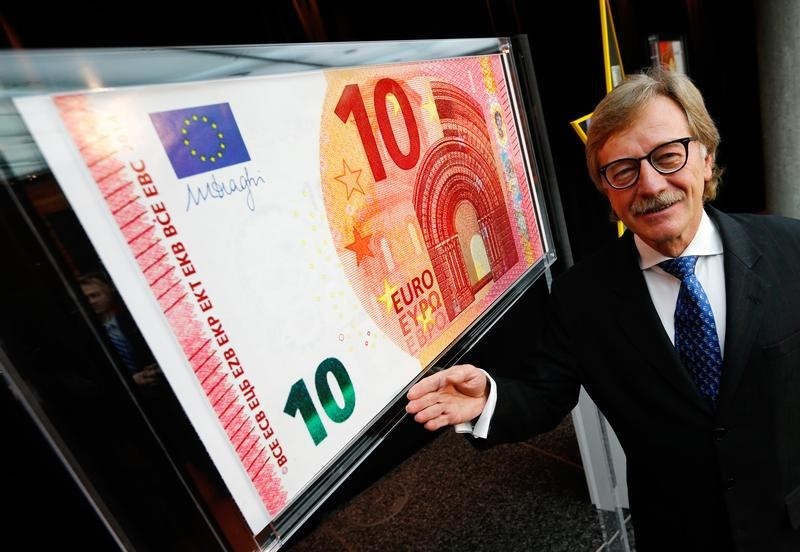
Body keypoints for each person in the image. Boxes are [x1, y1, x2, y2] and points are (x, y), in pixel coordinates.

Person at [406, 68, 800, 551]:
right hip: (679, 533)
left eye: (668, 156)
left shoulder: (791, 250)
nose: (651, 185)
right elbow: (544, 393)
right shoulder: (581, 297)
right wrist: (488, 399)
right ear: (606, 189)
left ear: (705, 156)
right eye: (623, 170)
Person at [78, 271, 162, 388]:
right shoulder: (85, 332)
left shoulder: (133, 317)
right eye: (86, 298)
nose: (91, 301)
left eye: (95, 295)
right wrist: (131, 380)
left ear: (108, 292)